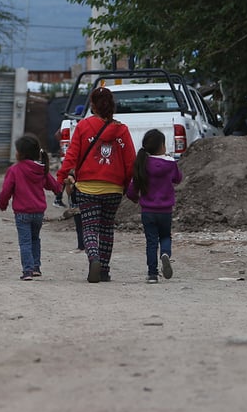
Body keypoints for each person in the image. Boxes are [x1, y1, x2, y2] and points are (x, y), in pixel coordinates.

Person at [56, 86, 136, 283]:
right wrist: (127, 185)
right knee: (107, 228)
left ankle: (93, 259)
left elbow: (71, 156)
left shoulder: (83, 126)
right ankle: (104, 271)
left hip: (87, 188)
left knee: (90, 228)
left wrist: (60, 178)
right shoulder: (122, 130)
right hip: (113, 188)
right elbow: (130, 162)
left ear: (92, 105)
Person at [0, 134, 62, 280]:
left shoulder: (15, 170)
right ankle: (36, 267)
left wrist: (3, 204)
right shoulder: (41, 168)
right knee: (35, 239)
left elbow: (6, 190)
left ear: (21, 153)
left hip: (22, 213)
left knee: (25, 241)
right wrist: (60, 189)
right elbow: (53, 185)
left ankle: (27, 271)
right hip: (38, 212)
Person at [126, 129, 182, 284]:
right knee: (165, 236)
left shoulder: (142, 163)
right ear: (162, 146)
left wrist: (134, 198)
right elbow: (178, 179)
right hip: (165, 211)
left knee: (151, 241)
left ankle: (152, 274)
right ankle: (165, 253)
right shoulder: (170, 163)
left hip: (148, 211)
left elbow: (132, 188)